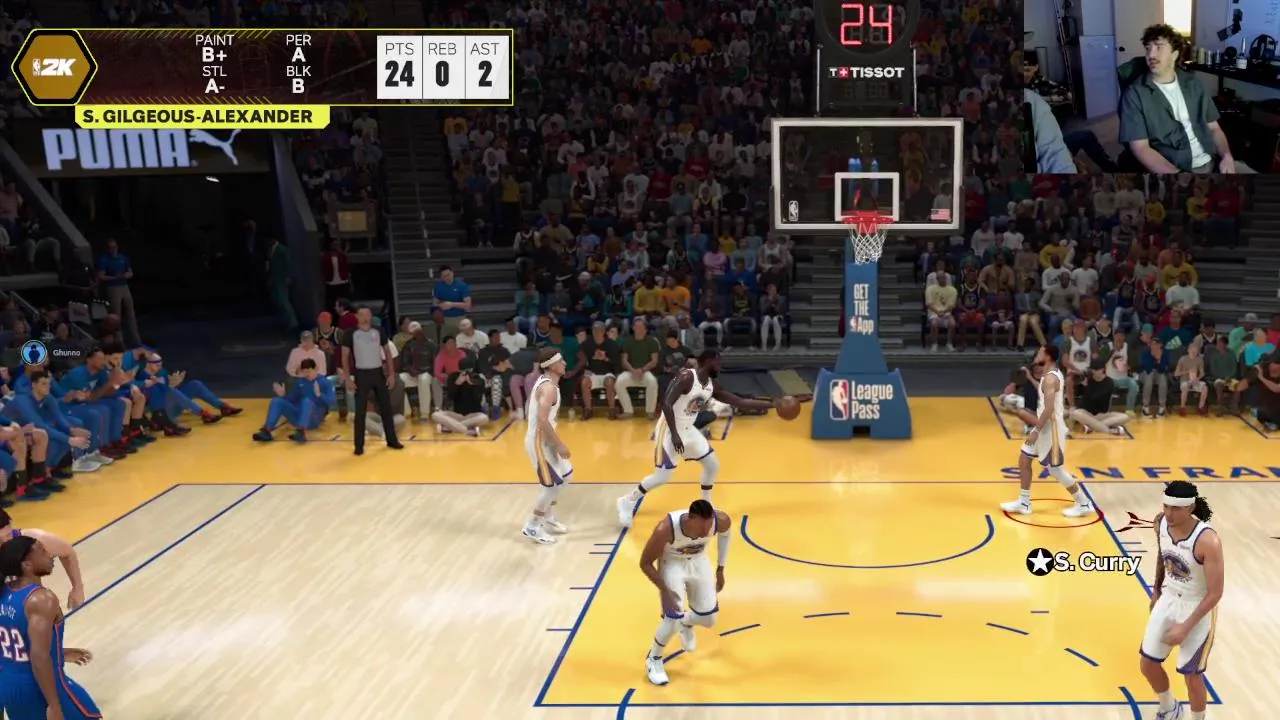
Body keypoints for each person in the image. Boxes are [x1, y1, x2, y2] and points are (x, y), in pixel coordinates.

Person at [616, 350, 780, 528]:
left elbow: (739, 402)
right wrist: (675, 435)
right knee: (662, 476)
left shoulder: (711, 386)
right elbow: (667, 403)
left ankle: (706, 503)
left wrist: (773, 404)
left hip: (688, 430)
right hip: (669, 430)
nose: (720, 366)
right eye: (718, 362)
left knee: (712, 465)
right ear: (708, 361)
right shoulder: (687, 377)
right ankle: (628, 500)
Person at [1140, 481, 1224, 720]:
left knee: (1192, 676)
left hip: (1198, 606)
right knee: (1147, 664)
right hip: (1169, 597)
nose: (1169, 513)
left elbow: (1215, 593)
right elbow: (1163, 555)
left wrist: (1185, 628)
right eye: (1166, 506)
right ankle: (1170, 708)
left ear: (1190, 508)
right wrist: (1156, 590)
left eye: (1175, 509)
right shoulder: (1161, 523)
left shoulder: (1208, 541)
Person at [0, 535, 101, 720]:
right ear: (26, 564)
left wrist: (59, 652)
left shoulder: (3, 592)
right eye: (43, 551)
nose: (51, 555)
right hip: (39, 686)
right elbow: (39, 657)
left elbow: (14, 644)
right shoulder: (40, 598)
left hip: (9, 687)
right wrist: (54, 705)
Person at [1120, 24, 1239, 174]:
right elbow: (1140, 148)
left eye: (1158, 47)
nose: (1151, 55)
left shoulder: (1193, 83)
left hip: (1214, 159)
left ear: (1174, 54)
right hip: (1177, 169)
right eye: (1148, 48)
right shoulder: (1134, 94)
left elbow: (1214, 128)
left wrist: (1227, 156)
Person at [638, 499, 731, 686]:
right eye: (702, 526)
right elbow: (645, 563)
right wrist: (664, 591)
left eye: (709, 526)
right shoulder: (666, 529)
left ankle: (686, 623)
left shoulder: (721, 520)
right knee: (672, 618)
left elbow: (726, 535)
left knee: (709, 619)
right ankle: (654, 658)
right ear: (691, 518)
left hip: (698, 561)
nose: (706, 531)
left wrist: (720, 569)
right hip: (672, 564)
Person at [1000, 345, 1094, 518]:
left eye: (1041, 353)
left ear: (1048, 357)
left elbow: (1049, 409)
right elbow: (1043, 393)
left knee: (1056, 470)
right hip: (1044, 427)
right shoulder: (1049, 375)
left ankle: (1083, 503)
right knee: (1024, 459)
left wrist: (1035, 430)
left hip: (1052, 430)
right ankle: (1024, 502)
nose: (1037, 355)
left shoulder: (1051, 378)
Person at [521, 348, 572, 544]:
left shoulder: (550, 384)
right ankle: (532, 526)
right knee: (551, 487)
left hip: (546, 440)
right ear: (551, 366)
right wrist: (559, 445)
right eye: (560, 361)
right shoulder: (548, 388)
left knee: (566, 475)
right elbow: (542, 421)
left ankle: (548, 516)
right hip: (538, 442)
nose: (564, 363)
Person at [339, 307, 403, 455]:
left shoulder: (378, 330)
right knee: (360, 411)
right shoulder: (351, 333)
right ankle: (359, 445)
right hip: (361, 373)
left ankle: (392, 440)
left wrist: (391, 374)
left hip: (378, 372)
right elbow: (345, 356)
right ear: (357, 316)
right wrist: (347, 378)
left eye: (368, 314)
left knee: (386, 407)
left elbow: (387, 352)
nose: (365, 317)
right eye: (362, 315)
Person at [0, 510, 85, 609]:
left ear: (11, 525)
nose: (6, 542)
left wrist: (77, 588)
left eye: (8, 535)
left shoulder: (31, 541)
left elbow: (67, 552)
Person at [251, 359, 336, 442]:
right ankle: (267, 430)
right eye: (304, 372)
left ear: (315, 369)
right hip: (298, 416)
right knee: (277, 401)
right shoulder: (300, 381)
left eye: (309, 371)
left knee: (306, 401)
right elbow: (291, 400)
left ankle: (301, 432)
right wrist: (283, 395)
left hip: (314, 418)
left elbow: (332, 401)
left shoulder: (325, 382)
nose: (307, 375)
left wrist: (320, 395)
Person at [1069, 360, 1131, 435]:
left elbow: (1096, 397)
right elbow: (1079, 396)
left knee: (1125, 417)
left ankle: (1092, 427)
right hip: (1087, 414)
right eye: (1091, 369)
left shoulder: (1109, 382)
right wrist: (1080, 383)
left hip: (1102, 415)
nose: (1093, 372)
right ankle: (1108, 430)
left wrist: (1087, 387)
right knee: (1075, 413)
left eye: (1095, 370)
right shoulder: (1088, 380)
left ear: (1102, 370)